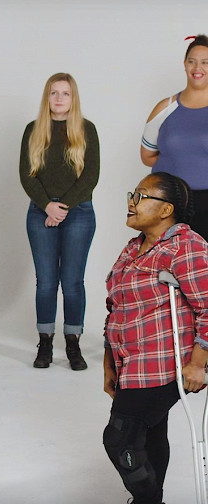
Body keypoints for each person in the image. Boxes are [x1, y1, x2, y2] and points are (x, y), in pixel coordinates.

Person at [103, 172, 208, 504]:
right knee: (148, 436)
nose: (131, 202)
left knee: (120, 439)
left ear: (166, 209)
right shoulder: (133, 247)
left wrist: (198, 364)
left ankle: (148, 501)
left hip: (163, 364)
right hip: (130, 363)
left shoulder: (186, 246)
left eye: (142, 196)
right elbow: (115, 306)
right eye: (132, 194)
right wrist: (109, 363)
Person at [19, 72, 100, 371]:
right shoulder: (33, 130)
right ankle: (45, 343)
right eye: (54, 93)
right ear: (47, 97)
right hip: (40, 212)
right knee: (46, 282)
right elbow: (26, 174)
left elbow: (90, 176)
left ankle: (73, 344)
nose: (59, 98)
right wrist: (47, 206)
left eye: (65, 93)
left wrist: (62, 208)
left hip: (78, 213)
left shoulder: (86, 129)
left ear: (73, 98)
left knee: (73, 282)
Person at [141, 34, 208, 241]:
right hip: (167, 205)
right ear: (185, 64)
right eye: (192, 61)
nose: (198, 68)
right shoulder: (164, 108)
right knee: (165, 259)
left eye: (205, 62)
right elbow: (147, 156)